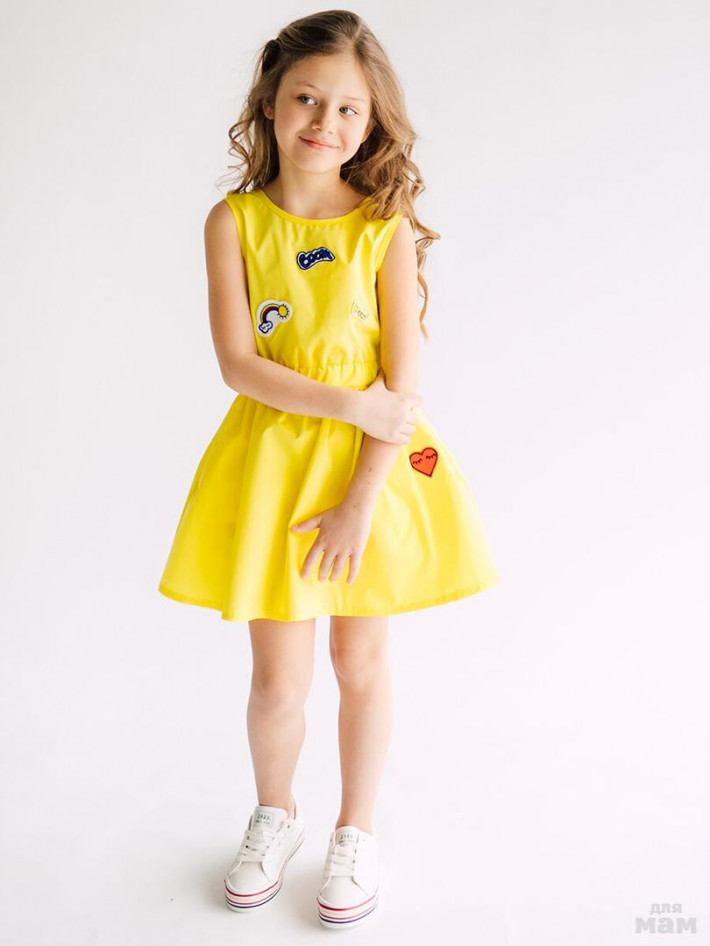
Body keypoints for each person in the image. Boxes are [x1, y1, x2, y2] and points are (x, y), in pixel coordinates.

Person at [158, 8, 500, 930]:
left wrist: (357, 504)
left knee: (360, 659)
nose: (325, 122)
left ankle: (357, 830)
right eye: (307, 99)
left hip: (371, 478)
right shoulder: (233, 223)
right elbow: (239, 364)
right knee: (278, 678)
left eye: (349, 108)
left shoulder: (384, 228)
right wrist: (349, 405)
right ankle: (275, 814)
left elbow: (402, 390)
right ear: (270, 103)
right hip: (274, 466)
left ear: (373, 121)